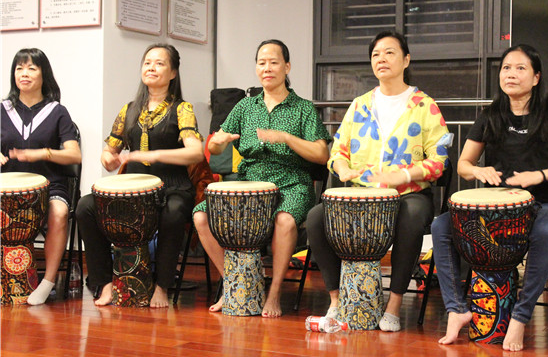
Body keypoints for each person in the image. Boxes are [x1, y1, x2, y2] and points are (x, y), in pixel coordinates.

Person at [432, 44, 548, 351]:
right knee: (442, 226)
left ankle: (520, 316)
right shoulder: (490, 116)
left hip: (545, 204)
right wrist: (479, 170)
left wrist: (541, 175)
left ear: (536, 77)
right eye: (506, 68)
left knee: (546, 232)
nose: (511, 74)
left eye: (520, 68)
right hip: (497, 208)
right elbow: (463, 165)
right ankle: (456, 309)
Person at [306, 31, 452, 332]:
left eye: (389, 52)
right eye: (375, 54)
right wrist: (342, 167)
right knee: (316, 218)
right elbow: (338, 151)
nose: (381, 59)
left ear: (406, 60)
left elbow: (440, 159)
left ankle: (394, 304)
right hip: (363, 193)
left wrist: (404, 175)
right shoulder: (360, 104)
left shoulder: (425, 105)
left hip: (409, 194)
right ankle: (336, 300)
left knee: (411, 217)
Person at [193, 39, 332, 317]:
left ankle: (274, 293)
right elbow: (216, 147)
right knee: (201, 216)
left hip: (292, 182)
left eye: (273, 62)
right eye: (261, 63)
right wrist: (218, 143)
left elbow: (321, 154)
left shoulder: (303, 108)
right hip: (250, 183)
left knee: (285, 220)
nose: (267, 68)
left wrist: (286, 138)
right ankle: (235, 286)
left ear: (287, 67)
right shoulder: (245, 107)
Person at [76, 44, 204, 308]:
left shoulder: (182, 109)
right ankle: (105, 283)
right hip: (134, 188)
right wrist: (108, 158)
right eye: (147, 63)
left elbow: (195, 152)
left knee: (173, 212)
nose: (151, 68)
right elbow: (109, 152)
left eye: (159, 63)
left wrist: (155, 155)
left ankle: (162, 286)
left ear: (173, 72)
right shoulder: (129, 109)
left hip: (172, 186)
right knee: (85, 207)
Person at [1, 48, 82, 305]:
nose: (24, 74)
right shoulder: (2, 109)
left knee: (59, 212)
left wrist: (43, 153)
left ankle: (47, 282)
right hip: (7, 188)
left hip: (50, 185)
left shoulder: (57, 112)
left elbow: (74, 155)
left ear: (43, 74)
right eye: (19, 68)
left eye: (31, 68)